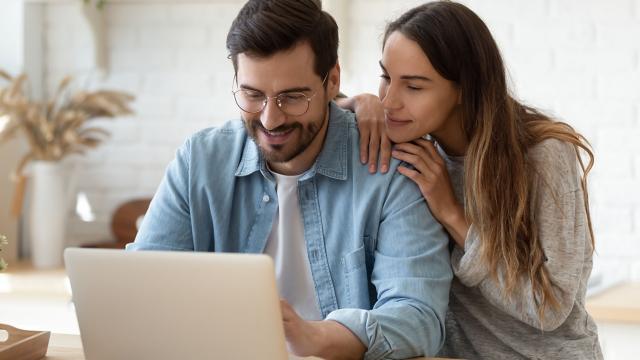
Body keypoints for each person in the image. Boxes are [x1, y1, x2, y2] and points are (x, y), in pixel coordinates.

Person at [126, 0, 453, 359]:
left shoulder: (389, 167)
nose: (270, 120)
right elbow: (142, 290)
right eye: (252, 95)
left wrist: (316, 338)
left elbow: (419, 318)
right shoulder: (200, 160)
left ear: (333, 81)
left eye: (292, 97)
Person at [347, 1, 603, 359]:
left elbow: (551, 307)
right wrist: (359, 102)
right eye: (386, 77)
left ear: (464, 89)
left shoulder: (544, 154)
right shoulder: (412, 141)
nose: (389, 101)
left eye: (414, 87)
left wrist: (452, 214)